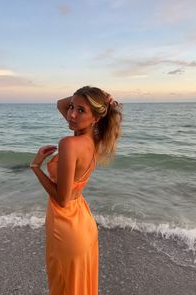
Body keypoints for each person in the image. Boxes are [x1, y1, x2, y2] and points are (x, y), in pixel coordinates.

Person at [30, 86, 122, 295]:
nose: (71, 113)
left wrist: (35, 167)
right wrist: (97, 102)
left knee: (64, 286)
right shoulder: (94, 140)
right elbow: (59, 104)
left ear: (96, 118)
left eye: (81, 111)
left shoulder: (70, 144)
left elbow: (62, 199)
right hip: (81, 221)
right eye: (72, 107)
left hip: (66, 224)